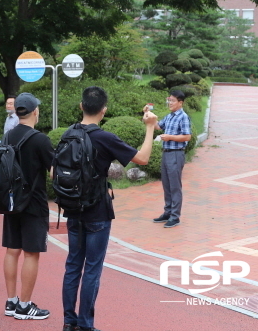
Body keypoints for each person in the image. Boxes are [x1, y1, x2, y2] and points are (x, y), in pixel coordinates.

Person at [61, 86, 157, 331]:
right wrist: (149, 128)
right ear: (103, 111)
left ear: (81, 106)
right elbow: (143, 158)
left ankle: (69, 322)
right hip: (97, 212)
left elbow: (55, 171)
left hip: (72, 209)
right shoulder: (105, 137)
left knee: (73, 265)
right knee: (92, 268)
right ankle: (85, 324)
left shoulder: (68, 134)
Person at [2, 92, 53, 320]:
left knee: (12, 251)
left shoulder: (7, 137)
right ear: (35, 112)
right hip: (33, 203)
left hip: (11, 201)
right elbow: (55, 172)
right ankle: (24, 306)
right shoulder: (40, 139)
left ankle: (11, 301)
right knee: (31, 254)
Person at [150, 89, 191, 228]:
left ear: (180, 102)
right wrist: (147, 114)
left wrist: (169, 137)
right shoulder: (170, 116)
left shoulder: (183, 117)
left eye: (173, 101)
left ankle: (175, 216)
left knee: (174, 186)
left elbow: (187, 136)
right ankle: (167, 212)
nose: (170, 103)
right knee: (166, 185)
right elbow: (156, 126)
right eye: (169, 100)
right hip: (166, 152)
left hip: (176, 153)